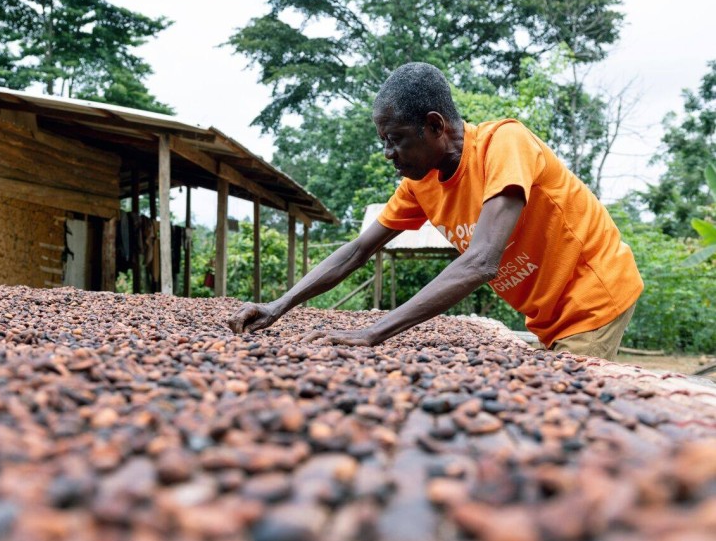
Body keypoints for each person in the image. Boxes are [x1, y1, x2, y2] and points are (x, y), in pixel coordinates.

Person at [228, 62, 643, 361]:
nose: (389, 154)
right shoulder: (419, 184)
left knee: (569, 415)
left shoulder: (504, 144)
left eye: (397, 140)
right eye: (383, 142)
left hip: (593, 295)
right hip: (547, 314)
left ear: (434, 125)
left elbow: (480, 262)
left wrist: (374, 332)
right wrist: (277, 306)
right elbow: (357, 251)